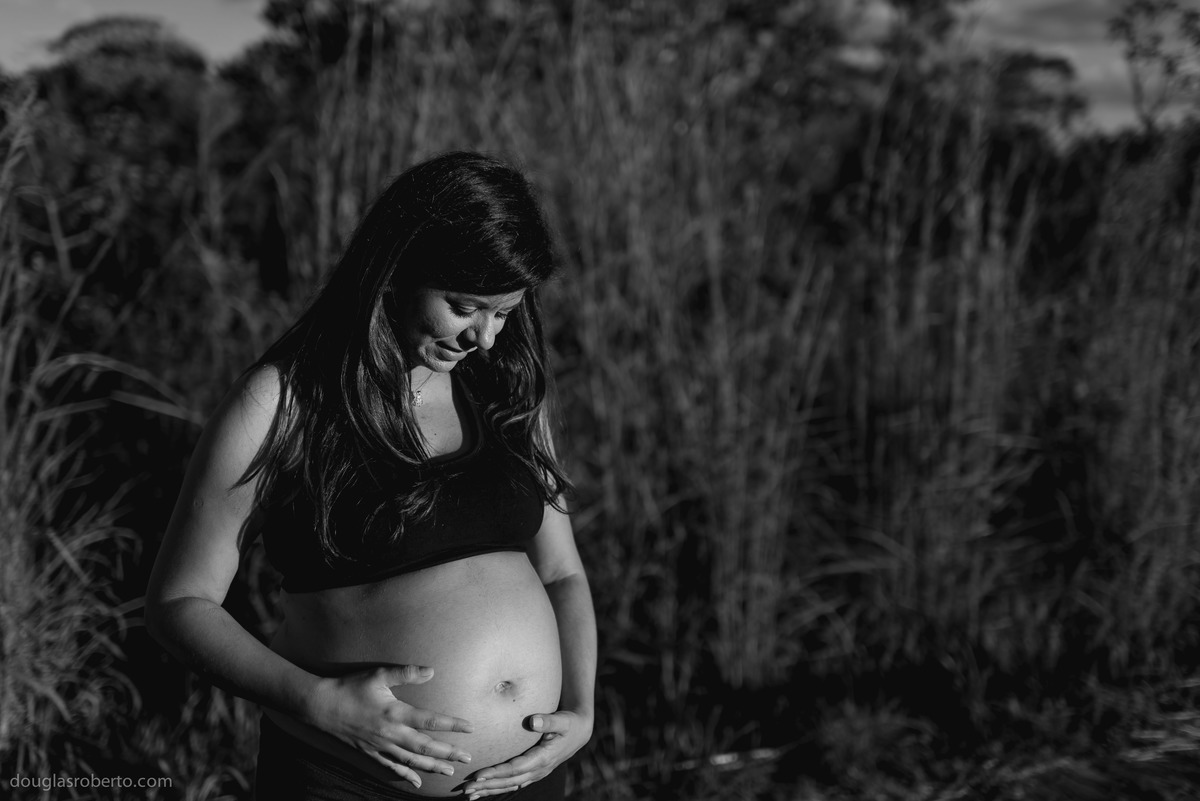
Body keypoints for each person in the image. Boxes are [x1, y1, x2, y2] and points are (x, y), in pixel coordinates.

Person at [145, 151, 597, 801]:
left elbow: (563, 571)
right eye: (467, 306)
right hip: (347, 776)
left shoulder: (508, 391)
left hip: (519, 781)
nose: (488, 338)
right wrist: (319, 702)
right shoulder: (285, 402)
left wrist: (579, 710)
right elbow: (178, 603)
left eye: (505, 312)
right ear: (399, 266)